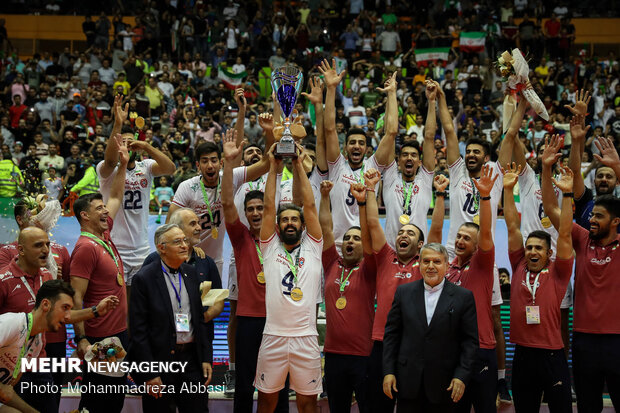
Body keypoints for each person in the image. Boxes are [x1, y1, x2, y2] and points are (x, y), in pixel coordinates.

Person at [436, 79, 511, 401]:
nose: (471, 155)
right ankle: (447, 371)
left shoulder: (494, 174)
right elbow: (450, 133)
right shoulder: (456, 174)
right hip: (453, 253)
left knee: (492, 317)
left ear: (487, 157)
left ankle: (499, 378)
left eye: (478, 152)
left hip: (483, 256)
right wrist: (440, 97)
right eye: (469, 152)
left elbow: (509, 138)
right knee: (444, 313)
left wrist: (518, 99)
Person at [541, 134, 620, 413]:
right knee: (587, 407)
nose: (592, 220)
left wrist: (618, 169)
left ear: (616, 222)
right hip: (583, 339)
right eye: (592, 216)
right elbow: (551, 210)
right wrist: (547, 169)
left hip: (617, 339)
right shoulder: (583, 239)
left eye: (599, 216)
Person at [220, 133, 289, 413]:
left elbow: (277, 203)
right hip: (249, 321)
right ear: (246, 214)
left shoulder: (283, 239)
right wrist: (228, 163)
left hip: (278, 321)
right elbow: (226, 203)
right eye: (251, 209)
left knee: (278, 385)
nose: (257, 212)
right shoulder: (241, 238)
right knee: (246, 385)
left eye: (261, 208)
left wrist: (277, 166)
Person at [255, 143, 323, 413]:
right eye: (285, 221)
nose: (290, 223)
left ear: (303, 225)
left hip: (305, 338)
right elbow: (269, 208)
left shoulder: (312, 245)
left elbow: (309, 204)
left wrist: (297, 164)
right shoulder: (269, 246)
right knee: (266, 403)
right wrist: (273, 168)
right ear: (279, 226)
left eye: (295, 220)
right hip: (273, 336)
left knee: (308, 404)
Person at [504, 156, 574, 412]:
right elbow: (512, 226)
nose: (532, 251)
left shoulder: (559, 271)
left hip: (552, 355)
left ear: (548, 254)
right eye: (529, 247)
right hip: (523, 354)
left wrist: (567, 196)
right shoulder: (519, 265)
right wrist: (508, 191)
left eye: (538, 249)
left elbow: (565, 233)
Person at [70, 135, 129, 413]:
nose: (105, 210)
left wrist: (124, 165)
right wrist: (81, 339)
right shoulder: (85, 248)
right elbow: (76, 297)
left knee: (113, 400)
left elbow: (116, 195)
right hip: (99, 338)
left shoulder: (104, 235)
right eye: (98, 208)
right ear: (84, 216)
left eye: (103, 207)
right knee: (97, 402)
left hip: (118, 333)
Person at [383, 242, 479, 412]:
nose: (431, 266)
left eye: (437, 261)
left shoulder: (463, 297)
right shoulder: (403, 293)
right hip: (408, 383)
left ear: (447, 265)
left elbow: (469, 342)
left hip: (447, 384)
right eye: (426, 261)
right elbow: (392, 336)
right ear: (419, 264)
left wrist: (462, 376)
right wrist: (388, 372)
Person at [129, 224, 213, 412]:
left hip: (191, 360)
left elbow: (200, 321)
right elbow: (138, 332)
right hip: (159, 363)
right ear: (162, 248)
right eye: (177, 242)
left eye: (184, 240)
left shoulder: (191, 273)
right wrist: (149, 374)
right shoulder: (144, 279)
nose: (184, 245)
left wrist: (206, 358)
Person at [97, 96, 176, 292]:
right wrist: (118, 124)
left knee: (138, 304)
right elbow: (109, 161)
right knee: (118, 301)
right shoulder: (108, 170)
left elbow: (170, 168)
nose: (126, 145)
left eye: (129, 141)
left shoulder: (146, 167)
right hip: (116, 246)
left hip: (142, 249)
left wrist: (147, 146)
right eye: (121, 142)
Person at [440, 164, 498, 413]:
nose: (460, 240)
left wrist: (484, 196)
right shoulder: (447, 270)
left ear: (476, 246)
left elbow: (485, 231)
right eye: (458, 236)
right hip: (452, 352)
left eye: (466, 238)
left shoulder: (482, 266)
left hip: (481, 350)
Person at [320, 59, 395, 252]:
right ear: (345, 148)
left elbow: (391, 133)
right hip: (337, 245)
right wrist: (330, 89)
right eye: (352, 142)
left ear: (367, 149)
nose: (356, 146)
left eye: (361, 143)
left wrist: (392, 94)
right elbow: (329, 129)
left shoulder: (373, 166)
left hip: (366, 246)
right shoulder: (337, 166)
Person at [320, 179, 376, 413]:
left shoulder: (370, 267)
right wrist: (324, 197)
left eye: (356, 238)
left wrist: (363, 204)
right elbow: (325, 228)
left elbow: (371, 233)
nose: (349, 241)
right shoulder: (332, 262)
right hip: (333, 356)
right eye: (347, 238)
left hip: (363, 355)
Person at [0, 280, 75, 413]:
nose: (68, 317)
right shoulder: (11, 324)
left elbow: (8, 394)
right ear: (45, 304)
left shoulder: (37, 343)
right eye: (65, 308)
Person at [382, 80, 436, 246]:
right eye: (404, 155)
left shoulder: (425, 180)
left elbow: (429, 136)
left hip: (419, 254)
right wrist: (391, 95)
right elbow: (389, 134)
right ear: (398, 161)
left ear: (420, 162)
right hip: (391, 253)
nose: (409, 158)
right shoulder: (391, 178)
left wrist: (432, 102)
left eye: (414, 155)